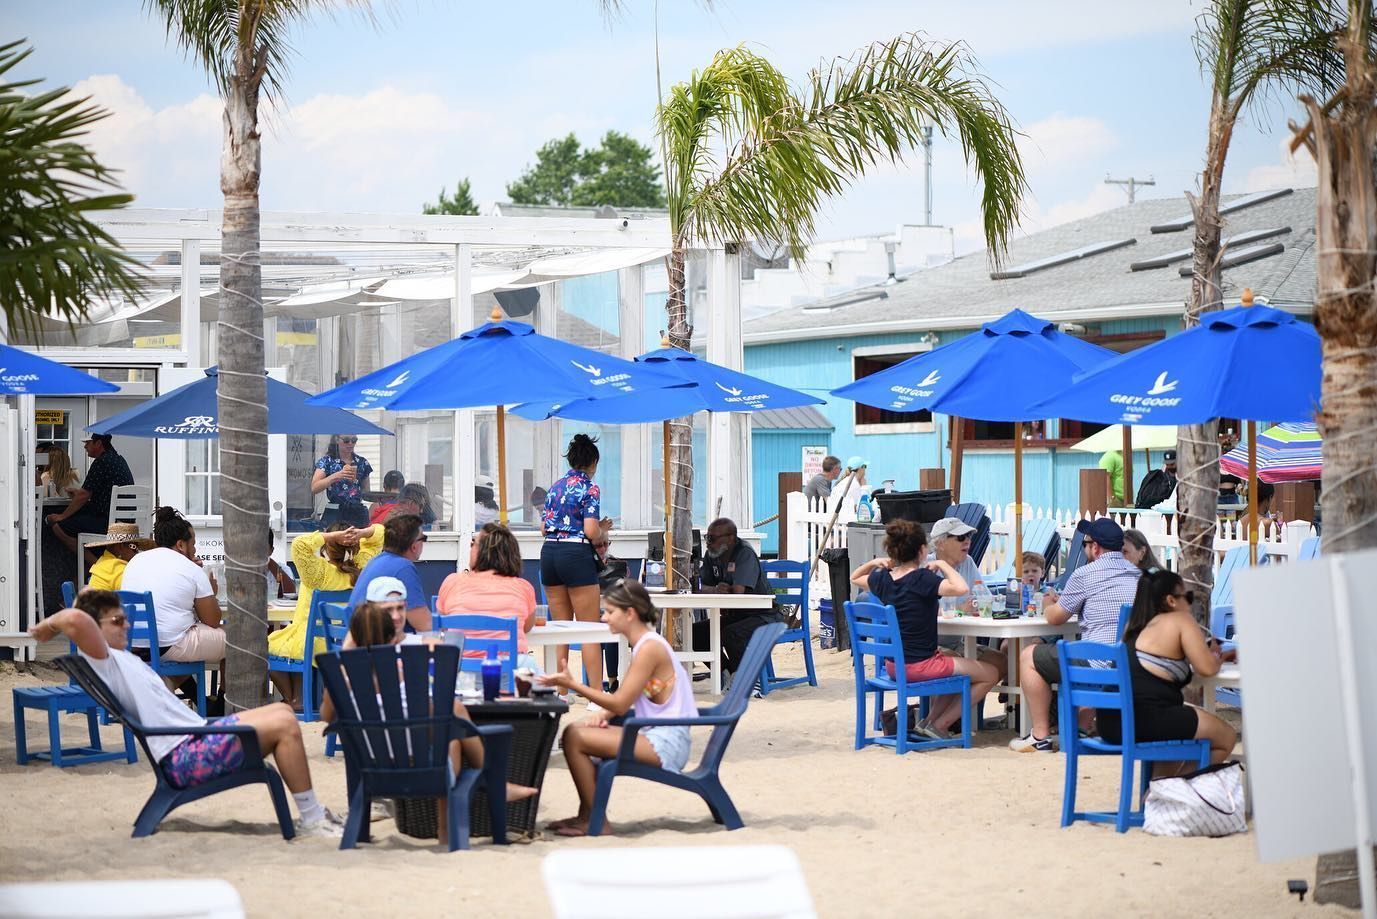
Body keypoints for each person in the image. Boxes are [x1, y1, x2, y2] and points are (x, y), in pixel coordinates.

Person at [31, 590, 344, 836]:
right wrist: (49, 625)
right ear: (95, 632)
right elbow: (76, 619)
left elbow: (82, 613)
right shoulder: (104, 660)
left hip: (194, 738)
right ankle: (312, 817)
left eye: (123, 618)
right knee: (285, 724)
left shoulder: (117, 658)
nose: (125, 624)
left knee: (281, 711)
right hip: (185, 756)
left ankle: (312, 814)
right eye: (116, 621)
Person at [319, 599, 535, 837]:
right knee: (449, 725)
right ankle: (482, 792)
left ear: (354, 638)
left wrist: (345, 657)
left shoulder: (340, 678)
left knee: (446, 724)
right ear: (393, 638)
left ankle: (490, 786)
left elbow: (327, 717)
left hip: (370, 763)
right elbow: (433, 716)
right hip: (419, 763)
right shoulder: (405, 672)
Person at [540, 579, 694, 838]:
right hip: (658, 733)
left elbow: (621, 702)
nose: (604, 618)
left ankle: (596, 820)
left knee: (573, 736)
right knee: (577, 731)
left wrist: (573, 684)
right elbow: (632, 696)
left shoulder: (650, 648)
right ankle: (587, 815)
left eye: (610, 612)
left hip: (667, 742)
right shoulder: (647, 644)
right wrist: (604, 714)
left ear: (630, 613)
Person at [849, 520, 999, 740]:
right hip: (921, 666)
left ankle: (927, 724)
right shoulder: (922, 579)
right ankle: (940, 725)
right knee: (990, 674)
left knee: (954, 660)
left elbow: (854, 577)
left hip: (894, 666)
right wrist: (944, 566)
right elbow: (961, 588)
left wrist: (877, 563)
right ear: (922, 550)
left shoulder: (883, 579)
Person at [1010, 518, 1141, 753]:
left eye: (1085, 543)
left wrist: (1049, 603)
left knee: (1029, 656)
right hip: (1132, 663)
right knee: (1081, 648)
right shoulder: (1138, 575)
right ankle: (1080, 725)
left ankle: (1039, 735)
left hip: (1098, 663)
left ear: (1096, 547)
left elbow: (1055, 618)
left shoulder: (1085, 574)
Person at [1098, 567, 1237, 770]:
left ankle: (1162, 789)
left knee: (1177, 721)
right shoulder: (1179, 619)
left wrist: (1214, 654)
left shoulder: (1134, 625)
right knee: (1225, 737)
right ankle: (1177, 792)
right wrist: (1216, 655)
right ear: (1171, 600)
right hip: (1143, 718)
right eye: (1187, 596)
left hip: (1110, 721)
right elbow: (1206, 668)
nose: (1189, 603)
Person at [267, 522, 384, 705]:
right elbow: (380, 534)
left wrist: (331, 536)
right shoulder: (363, 567)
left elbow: (299, 544)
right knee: (292, 643)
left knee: (264, 648)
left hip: (311, 642)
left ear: (326, 546)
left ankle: (293, 698)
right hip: (347, 641)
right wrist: (361, 532)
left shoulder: (317, 572)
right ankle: (298, 698)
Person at [540, 434, 612, 698]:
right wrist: (602, 528)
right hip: (576, 555)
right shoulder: (590, 488)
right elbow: (591, 531)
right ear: (593, 462)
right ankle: (595, 694)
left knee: (561, 628)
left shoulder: (555, 487)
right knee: (589, 628)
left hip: (549, 554)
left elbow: (543, 528)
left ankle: (561, 691)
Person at [121, 507, 227, 667]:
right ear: (180, 545)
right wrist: (211, 592)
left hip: (134, 643)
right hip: (169, 645)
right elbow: (212, 621)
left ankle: (164, 689)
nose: (195, 549)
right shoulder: (191, 569)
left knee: (189, 637)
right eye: (193, 544)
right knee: (241, 638)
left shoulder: (135, 561)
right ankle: (226, 692)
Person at [692, 517, 786, 684]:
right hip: (737, 615)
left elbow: (738, 591)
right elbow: (699, 586)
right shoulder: (711, 555)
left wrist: (717, 589)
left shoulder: (744, 553)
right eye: (707, 537)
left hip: (764, 616)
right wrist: (714, 590)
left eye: (713, 538)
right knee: (695, 633)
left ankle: (746, 681)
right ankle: (727, 673)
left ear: (731, 539)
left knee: (733, 633)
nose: (708, 542)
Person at [437, 522, 539, 670]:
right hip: (508, 673)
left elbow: (444, 625)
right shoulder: (523, 587)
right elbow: (527, 627)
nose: (470, 547)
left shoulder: (452, 582)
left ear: (482, 551)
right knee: (536, 672)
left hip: (460, 672)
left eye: (473, 543)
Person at [44, 433, 135, 554]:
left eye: (88, 443)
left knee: (59, 526)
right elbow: (103, 494)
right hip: (127, 522)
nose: (85, 446)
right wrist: (79, 494)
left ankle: (95, 566)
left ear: (98, 443)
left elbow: (84, 495)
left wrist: (62, 516)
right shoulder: (119, 460)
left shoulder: (101, 462)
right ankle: (99, 561)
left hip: (110, 524)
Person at [349, 513, 431, 633]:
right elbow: (424, 624)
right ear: (414, 546)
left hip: (358, 641)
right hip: (379, 647)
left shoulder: (376, 561)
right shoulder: (403, 568)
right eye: (423, 538)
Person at [312, 434, 373, 528]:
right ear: (337, 440)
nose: (350, 444)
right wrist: (336, 476)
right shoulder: (327, 461)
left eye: (354, 440)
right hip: (335, 510)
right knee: (333, 541)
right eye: (346, 440)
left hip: (357, 511)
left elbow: (366, 491)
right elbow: (314, 487)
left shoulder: (361, 462)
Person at [84, 522, 154, 592]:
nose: (136, 552)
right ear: (121, 546)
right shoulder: (120, 570)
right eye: (134, 548)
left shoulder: (102, 562)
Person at [265, 530, 296, 599]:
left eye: (263, 549)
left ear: (271, 551)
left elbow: (291, 593)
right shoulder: (242, 569)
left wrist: (269, 562)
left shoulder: (283, 569)